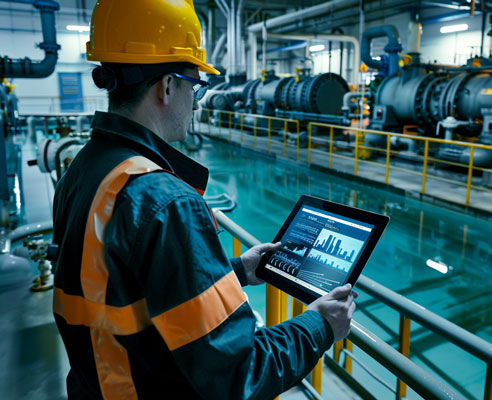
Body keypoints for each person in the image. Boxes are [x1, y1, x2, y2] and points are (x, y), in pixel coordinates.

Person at [51, 0, 357, 399]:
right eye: (194, 86)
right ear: (166, 86)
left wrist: (235, 271)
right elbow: (238, 375)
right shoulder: (167, 202)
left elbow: (125, 283)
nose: (196, 102)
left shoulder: (85, 169)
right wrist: (319, 325)